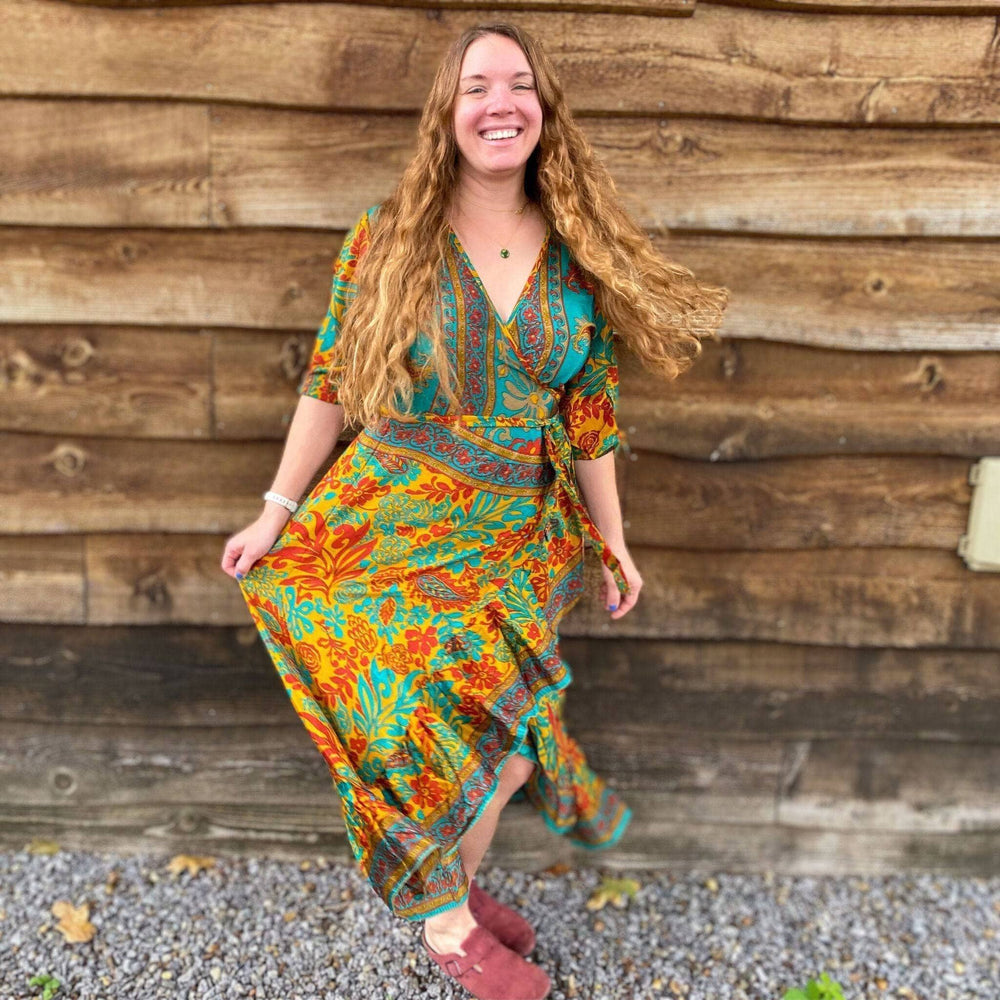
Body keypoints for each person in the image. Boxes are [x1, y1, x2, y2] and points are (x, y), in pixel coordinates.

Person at [220, 21, 728, 1000]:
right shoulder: (387, 236)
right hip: (392, 513)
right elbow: (328, 382)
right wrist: (278, 509)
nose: (500, 103)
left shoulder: (575, 253)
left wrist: (613, 538)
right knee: (418, 726)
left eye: (519, 85)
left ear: (545, 109)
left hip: (515, 531)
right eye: (476, 88)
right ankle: (447, 927)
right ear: (446, 117)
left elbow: (591, 418)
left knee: (501, 749)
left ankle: (447, 885)